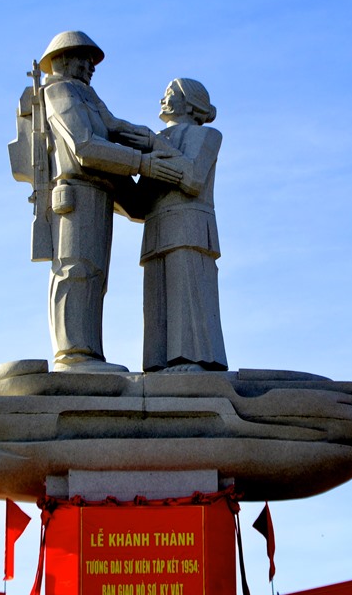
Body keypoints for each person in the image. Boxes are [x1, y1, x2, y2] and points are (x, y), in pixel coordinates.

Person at [38, 31, 182, 373]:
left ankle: (87, 354)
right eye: (85, 59)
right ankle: (73, 356)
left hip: (101, 189)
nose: (92, 66)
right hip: (77, 190)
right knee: (76, 268)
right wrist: (143, 163)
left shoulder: (85, 93)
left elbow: (115, 127)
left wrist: (155, 141)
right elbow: (84, 146)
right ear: (64, 59)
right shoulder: (59, 90)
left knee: (95, 275)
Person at [139, 78, 228, 373]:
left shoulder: (207, 135)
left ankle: (193, 359)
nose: (163, 99)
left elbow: (192, 178)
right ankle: (157, 363)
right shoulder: (157, 140)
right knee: (156, 301)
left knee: (188, 294)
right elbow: (139, 203)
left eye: (170, 93)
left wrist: (155, 145)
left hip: (190, 227)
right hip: (155, 229)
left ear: (190, 104)